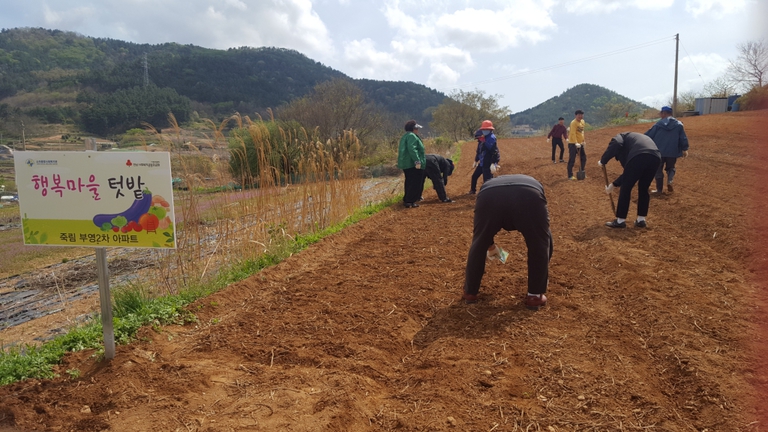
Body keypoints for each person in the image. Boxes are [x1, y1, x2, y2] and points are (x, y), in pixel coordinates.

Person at [461, 174, 553, 310]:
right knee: (540, 242)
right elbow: (541, 236)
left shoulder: (488, 184)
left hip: (489, 196)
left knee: (479, 241)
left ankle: (470, 293)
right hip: (529, 196)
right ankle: (534, 295)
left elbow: (482, 230)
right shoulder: (535, 183)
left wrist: (488, 243)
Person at [598, 132, 661, 228]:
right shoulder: (633, 140)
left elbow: (616, 144)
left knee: (626, 188)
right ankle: (641, 220)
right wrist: (614, 184)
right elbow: (631, 173)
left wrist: (603, 160)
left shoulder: (619, 137)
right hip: (655, 157)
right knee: (644, 188)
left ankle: (620, 221)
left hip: (640, 156)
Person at [644, 106, 689, 194]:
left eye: (661, 113)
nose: (660, 115)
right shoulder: (679, 125)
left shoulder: (658, 125)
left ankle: (659, 190)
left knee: (658, 169)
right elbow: (683, 138)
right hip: (673, 151)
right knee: (671, 167)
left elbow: (648, 135)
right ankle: (670, 181)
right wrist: (685, 148)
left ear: (664, 113)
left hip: (658, 152)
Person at [397, 120, 426, 208]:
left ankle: (407, 199)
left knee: (409, 181)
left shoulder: (405, 136)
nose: (417, 130)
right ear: (413, 129)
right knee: (415, 182)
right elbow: (412, 149)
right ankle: (410, 201)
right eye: (416, 128)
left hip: (406, 163)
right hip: (412, 163)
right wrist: (417, 160)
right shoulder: (412, 136)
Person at [469, 120, 500, 194]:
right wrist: (476, 160)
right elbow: (479, 151)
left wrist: (493, 163)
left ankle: (490, 193)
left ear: (490, 130)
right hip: (482, 162)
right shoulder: (482, 139)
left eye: (486, 129)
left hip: (488, 162)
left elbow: (494, 152)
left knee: (487, 180)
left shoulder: (491, 138)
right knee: (474, 176)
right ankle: (473, 190)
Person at [567, 110, 587, 180]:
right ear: (575, 115)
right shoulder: (573, 123)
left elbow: (582, 132)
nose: (580, 116)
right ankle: (570, 175)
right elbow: (572, 133)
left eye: (581, 115)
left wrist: (583, 141)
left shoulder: (582, 122)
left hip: (580, 144)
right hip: (573, 144)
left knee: (583, 158)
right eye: (579, 115)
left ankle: (581, 171)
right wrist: (575, 142)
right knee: (572, 159)